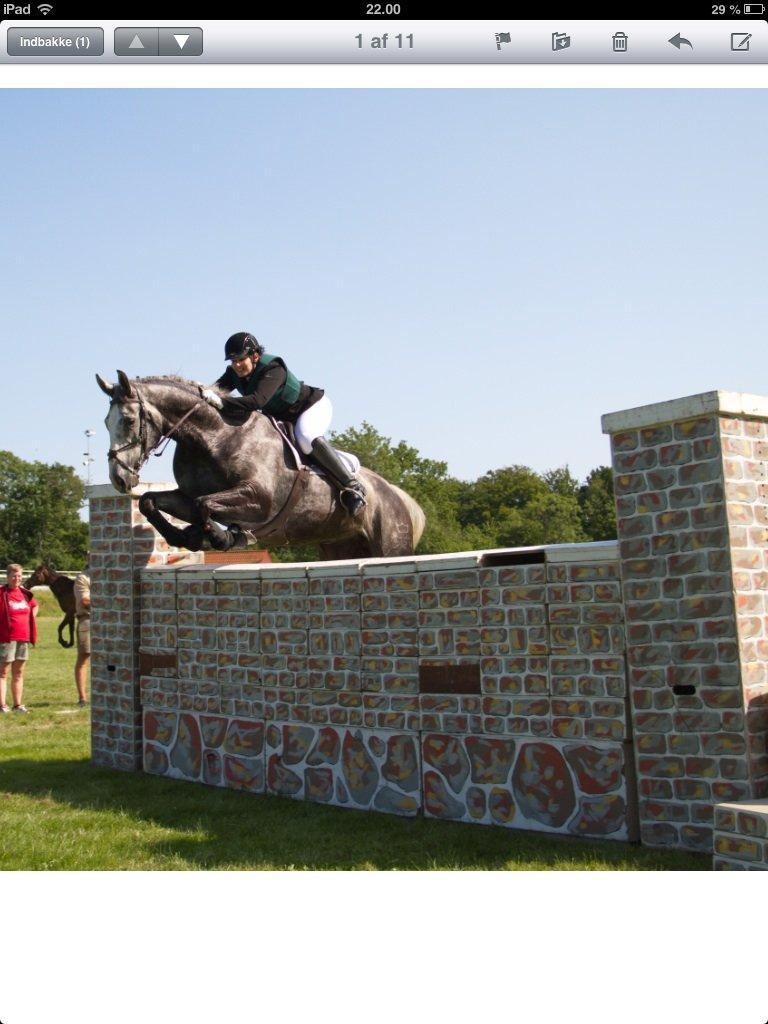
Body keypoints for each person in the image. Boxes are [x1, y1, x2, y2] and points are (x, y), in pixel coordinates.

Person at [201, 331, 367, 516]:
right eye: (233, 361)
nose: (237, 365)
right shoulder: (233, 373)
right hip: (283, 418)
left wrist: (222, 402)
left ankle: (353, 487)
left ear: (255, 355)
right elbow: (215, 391)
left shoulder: (273, 368)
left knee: (305, 437)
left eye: (241, 359)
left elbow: (257, 402)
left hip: (310, 407)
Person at [0, 563, 38, 714]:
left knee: (19, 672)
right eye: (14, 576)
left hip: (23, 637)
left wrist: (32, 618)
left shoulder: (25, 593)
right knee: (3, 672)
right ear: (8, 577)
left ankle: (17, 705)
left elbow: (34, 605)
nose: (17, 579)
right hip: (6, 638)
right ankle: (2, 705)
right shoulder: (2, 593)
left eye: (19, 576)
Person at [73, 570, 91, 707]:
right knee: (84, 658)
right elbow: (85, 601)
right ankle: (82, 698)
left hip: (108, 619)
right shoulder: (82, 577)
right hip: (87, 620)